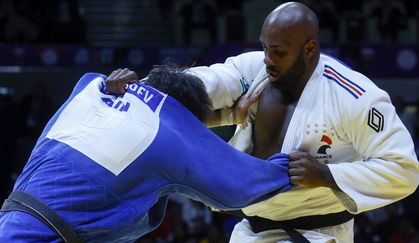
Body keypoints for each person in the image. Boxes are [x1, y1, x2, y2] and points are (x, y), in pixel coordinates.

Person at [105, 2, 419, 242]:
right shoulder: (258, 69)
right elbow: (208, 81)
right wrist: (145, 86)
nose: (268, 58)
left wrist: (328, 174)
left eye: (279, 52)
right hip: (249, 229)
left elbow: (403, 169)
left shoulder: (355, 96)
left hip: (317, 232)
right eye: (265, 47)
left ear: (309, 49)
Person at [0, 65, 295, 242]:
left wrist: (224, 117)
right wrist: (310, 163)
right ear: (185, 124)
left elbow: (151, 116)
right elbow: (242, 185)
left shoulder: (92, 86)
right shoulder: (170, 140)